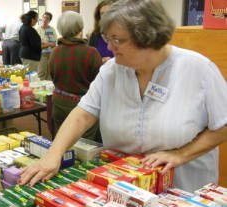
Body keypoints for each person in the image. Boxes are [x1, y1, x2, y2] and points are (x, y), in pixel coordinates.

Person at [19, 0, 227, 193]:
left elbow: (223, 125)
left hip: (183, 191)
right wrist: (53, 155)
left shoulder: (198, 69)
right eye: (107, 39)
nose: (109, 47)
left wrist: (180, 154)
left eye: (117, 40)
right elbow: (82, 114)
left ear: (148, 37)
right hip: (124, 187)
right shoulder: (111, 70)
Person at [48, 11, 102, 140]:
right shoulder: (91, 53)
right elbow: (99, 83)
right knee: (84, 146)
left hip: (59, 104)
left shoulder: (55, 52)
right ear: (80, 27)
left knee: (61, 142)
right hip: (84, 107)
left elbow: (52, 76)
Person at [36, 12, 57, 80]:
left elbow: (54, 42)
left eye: (47, 18)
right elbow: (38, 44)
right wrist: (48, 44)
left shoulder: (52, 30)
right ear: (42, 18)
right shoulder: (37, 29)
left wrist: (48, 45)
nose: (45, 19)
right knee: (41, 73)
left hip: (51, 55)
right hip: (41, 55)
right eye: (44, 17)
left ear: (49, 20)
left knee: (50, 74)